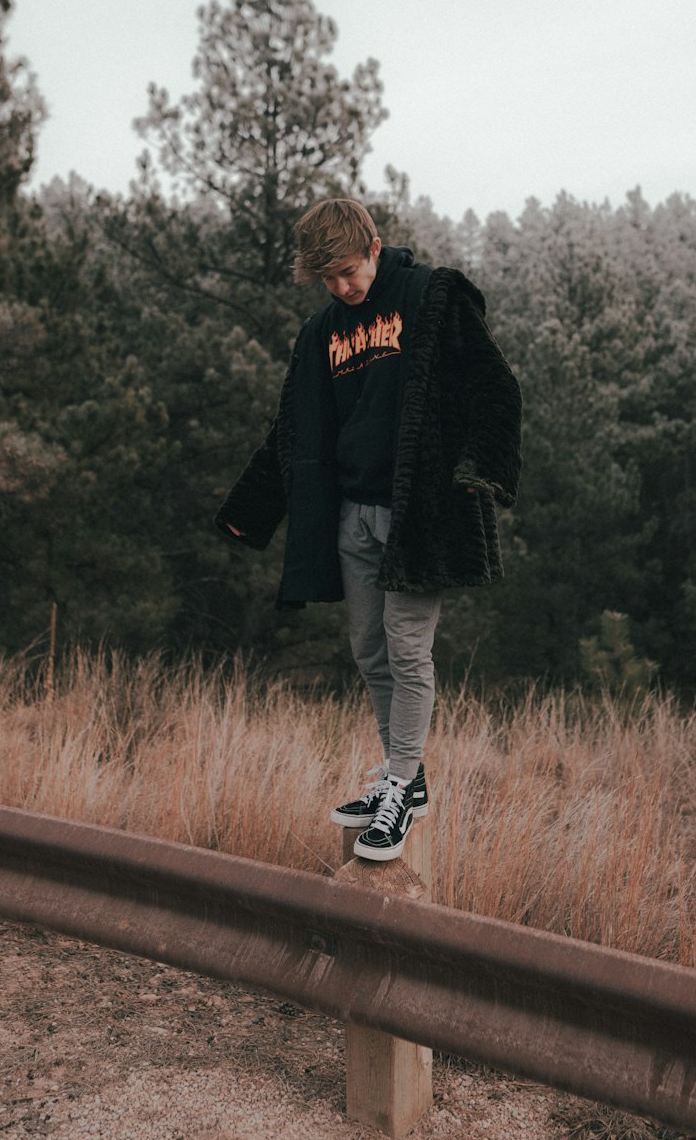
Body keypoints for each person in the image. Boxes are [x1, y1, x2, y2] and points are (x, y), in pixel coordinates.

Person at [215, 198, 521, 861]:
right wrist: (251, 508)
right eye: (329, 280)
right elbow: (293, 432)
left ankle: (402, 788)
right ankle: (400, 779)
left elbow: (493, 386)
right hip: (350, 514)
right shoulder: (322, 330)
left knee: (408, 649)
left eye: (349, 272)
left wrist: (479, 469)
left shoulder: (429, 297)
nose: (342, 288)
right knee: (370, 651)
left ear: (375, 247)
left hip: (417, 511)